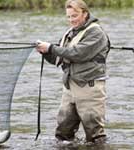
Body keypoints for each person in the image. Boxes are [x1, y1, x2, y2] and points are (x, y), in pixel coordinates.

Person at [36, 0, 110, 144]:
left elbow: (78, 53)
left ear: (85, 14)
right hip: (70, 86)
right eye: (69, 17)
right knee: (63, 134)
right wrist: (45, 52)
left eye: (74, 16)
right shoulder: (71, 33)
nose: (71, 20)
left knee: (94, 135)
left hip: (89, 87)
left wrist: (51, 47)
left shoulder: (96, 32)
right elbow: (59, 58)